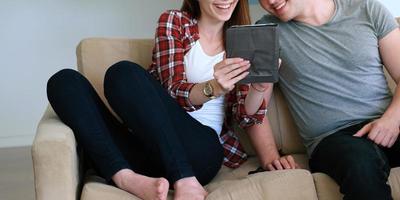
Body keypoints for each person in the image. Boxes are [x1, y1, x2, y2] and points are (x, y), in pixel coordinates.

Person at [46, 1, 297, 200]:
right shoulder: (174, 22)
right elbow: (173, 89)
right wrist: (214, 87)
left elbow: (246, 115)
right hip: (148, 144)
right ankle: (127, 178)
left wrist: (260, 88)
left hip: (199, 152)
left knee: (123, 72)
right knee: (66, 81)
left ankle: (184, 179)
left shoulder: (242, 40)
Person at [257, 0, 400, 199]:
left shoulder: (367, 9)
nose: (270, 1)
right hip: (332, 140)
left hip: (386, 124)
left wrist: (392, 119)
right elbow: (255, 106)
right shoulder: (265, 32)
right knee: (359, 163)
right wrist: (270, 157)